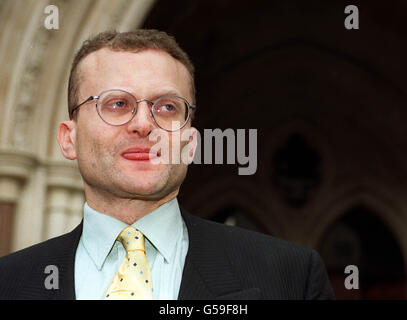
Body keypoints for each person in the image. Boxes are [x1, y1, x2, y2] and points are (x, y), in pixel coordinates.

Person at [0, 29, 334, 300]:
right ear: (68, 139)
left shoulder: (290, 277)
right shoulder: (9, 283)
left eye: (167, 107)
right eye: (117, 103)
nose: (144, 124)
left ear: (191, 144)